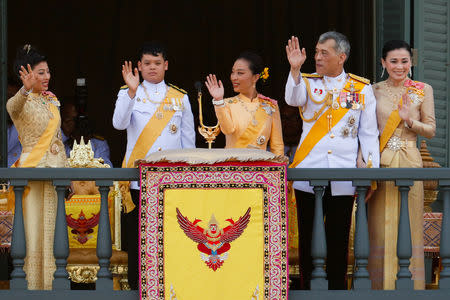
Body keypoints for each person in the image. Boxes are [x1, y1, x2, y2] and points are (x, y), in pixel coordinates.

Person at [284, 32, 380, 290]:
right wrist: (295, 70)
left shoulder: (362, 89)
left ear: (341, 57)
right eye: (316, 52)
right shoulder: (306, 82)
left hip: (343, 175)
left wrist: (368, 172)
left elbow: (368, 133)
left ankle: (337, 291)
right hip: (308, 173)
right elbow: (292, 99)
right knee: (307, 239)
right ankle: (306, 289)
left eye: (323, 53)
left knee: (338, 240)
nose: (317, 57)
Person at [112, 41, 195, 289]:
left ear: (166, 65)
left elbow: (188, 145)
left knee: (171, 240)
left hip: (171, 182)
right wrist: (130, 92)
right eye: (147, 63)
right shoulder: (128, 93)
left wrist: (188, 180)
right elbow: (118, 123)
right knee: (140, 242)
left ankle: (172, 288)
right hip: (139, 182)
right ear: (138, 66)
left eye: (157, 63)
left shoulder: (180, 98)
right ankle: (140, 289)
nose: (152, 68)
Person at [368, 40, 435, 290]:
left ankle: (411, 288)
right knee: (379, 226)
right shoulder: (372, 90)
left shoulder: (422, 89)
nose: (399, 66)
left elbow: (431, 130)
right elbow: (366, 130)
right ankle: (378, 287)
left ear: (411, 63)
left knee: (408, 224)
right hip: (382, 161)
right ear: (383, 63)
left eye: (404, 61)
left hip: (409, 161)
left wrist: (410, 122)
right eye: (393, 61)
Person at [6, 45, 66, 290]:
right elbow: (12, 108)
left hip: (55, 174)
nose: (47, 77)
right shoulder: (22, 101)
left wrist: (67, 171)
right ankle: (30, 291)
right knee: (32, 236)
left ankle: (52, 290)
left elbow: (58, 141)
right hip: (31, 174)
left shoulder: (51, 101)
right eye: (40, 73)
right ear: (26, 75)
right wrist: (24, 90)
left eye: (48, 72)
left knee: (52, 237)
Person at [205, 51, 284, 155]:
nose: (234, 77)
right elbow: (227, 130)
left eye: (240, 73)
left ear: (255, 77)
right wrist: (218, 100)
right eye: (233, 72)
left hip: (260, 169)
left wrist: (279, 169)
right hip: (233, 168)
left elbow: (277, 146)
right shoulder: (226, 103)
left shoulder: (270, 106)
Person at [61, 101, 112, 167]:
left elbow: (107, 170)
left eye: (78, 119)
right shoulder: (61, 143)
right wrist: (66, 134)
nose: (79, 123)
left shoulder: (99, 144)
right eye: (72, 119)